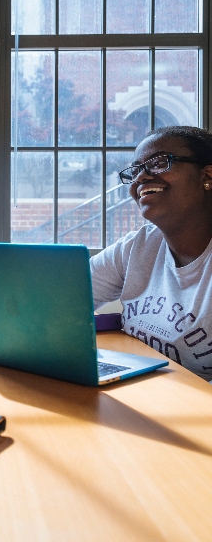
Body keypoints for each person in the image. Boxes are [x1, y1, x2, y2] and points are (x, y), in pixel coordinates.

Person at [91, 125, 212, 381]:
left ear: (207, 176)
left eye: (159, 163)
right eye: (135, 170)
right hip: (145, 394)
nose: (140, 178)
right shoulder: (137, 247)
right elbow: (63, 297)